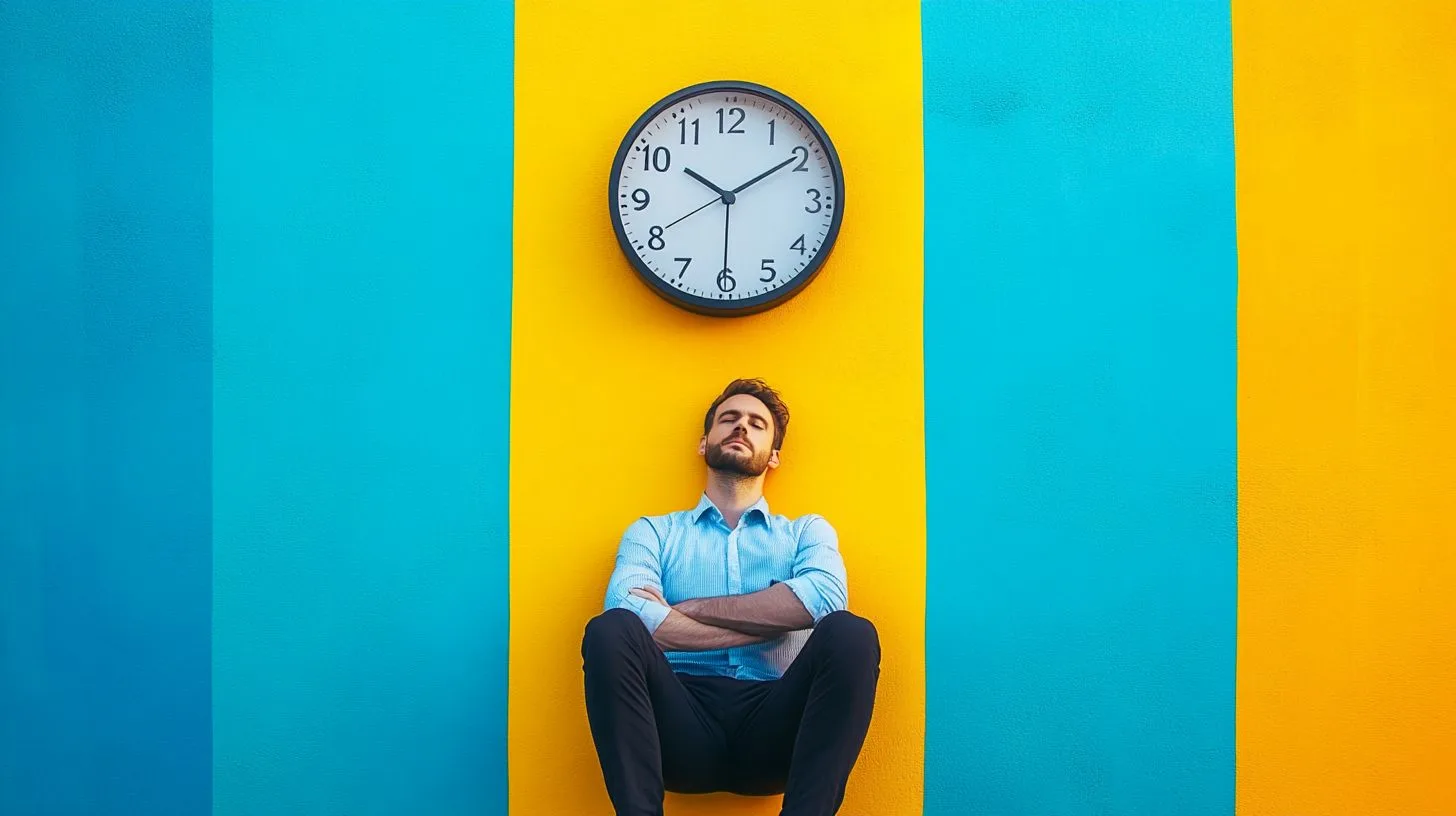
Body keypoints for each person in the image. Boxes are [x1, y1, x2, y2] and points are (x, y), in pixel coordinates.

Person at [581, 378, 880, 816]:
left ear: (774, 455)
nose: (741, 427)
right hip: (677, 729)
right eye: (729, 419)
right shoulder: (654, 532)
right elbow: (632, 613)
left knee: (851, 633)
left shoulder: (806, 532)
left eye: (757, 424)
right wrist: (776, 619)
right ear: (705, 443)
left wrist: (688, 611)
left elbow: (823, 599)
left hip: (775, 730)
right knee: (611, 630)